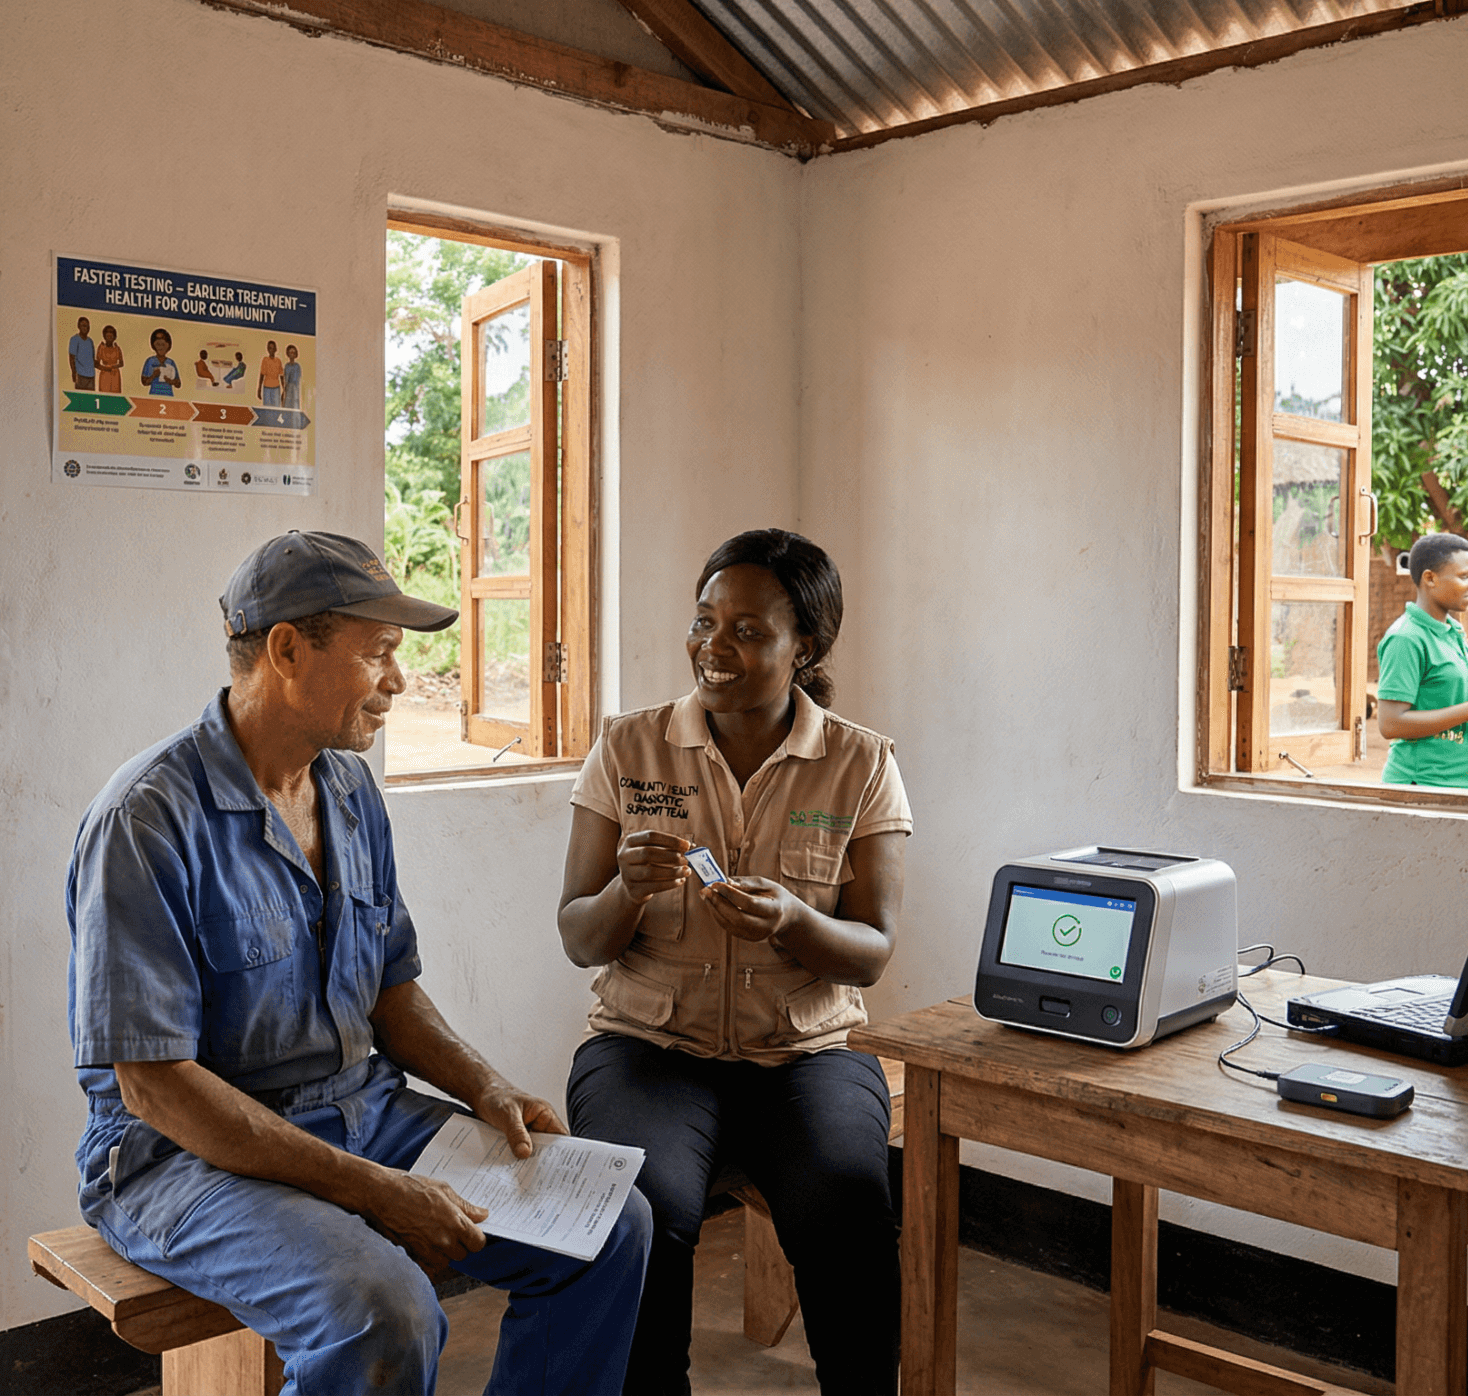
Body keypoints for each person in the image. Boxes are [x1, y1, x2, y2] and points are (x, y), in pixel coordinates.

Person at [66, 529, 651, 1396]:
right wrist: (374, 1190)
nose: (399, 682)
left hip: (357, 1111)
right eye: (379, 654)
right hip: (179, 1160)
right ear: (287, 649)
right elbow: (156, 1087)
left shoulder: (345, 787)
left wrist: (483, 1086)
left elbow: (390, 991)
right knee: (387, 1311)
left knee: (612, 1227)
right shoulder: (147, 820)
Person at [559, 528, 909, 1396]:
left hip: (807, 1055)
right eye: (704, 621)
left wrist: (794, 920)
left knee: (846, 1201)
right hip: (649, 1050)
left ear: (807, 647)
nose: (714, 648)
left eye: (749, 630)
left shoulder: (861, 764)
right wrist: (625, 893)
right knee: (642, 1211)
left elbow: (870, 953)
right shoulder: (629, 747)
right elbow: (577, 936)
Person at [1376, 534, 1468, 790]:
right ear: (1430, 578)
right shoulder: (1406, 638)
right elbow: (1390, 723)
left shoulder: (1453, 633)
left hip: (1462, 783)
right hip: (1422, 784)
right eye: (1464, 576)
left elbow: (1462, 694)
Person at [141, 328, 181, 397]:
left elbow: (178, 384)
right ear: (153, 345)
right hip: (154, 394)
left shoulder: (171, 362)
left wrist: (171, 381)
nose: (161, 347)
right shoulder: (150, 361)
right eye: (158, 344)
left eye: (163, 345)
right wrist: (153, 375)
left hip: (168, 395)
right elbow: (144, 382)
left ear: (168, 346)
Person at [68, 316, 98, 391]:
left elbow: (92, 359)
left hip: (91, 376)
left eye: (88, 326)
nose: (86, 328)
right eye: (84, 326)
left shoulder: (90, 341)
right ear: (78, 326)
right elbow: (72, 357)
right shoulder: (74, 339)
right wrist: (74, 373)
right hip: (80, 375)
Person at [95, 325, 124, 393]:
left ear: (114, 337)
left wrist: (114, 366)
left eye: (111, 333)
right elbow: (96, 364)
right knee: (104, 393)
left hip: (115, 374)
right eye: (107, 333)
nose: (109, 335)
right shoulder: (101, 348)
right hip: (105, 374)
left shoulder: (117, 348)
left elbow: (121, 363)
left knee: (115, 395)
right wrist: (104, 368)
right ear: (104, 336)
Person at [258, 337, 285, 407]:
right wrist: (259, 389)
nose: (271, 350)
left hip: (276, 388)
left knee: (276, 407)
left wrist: (285, 390)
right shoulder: (265, 360)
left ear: (276, 349)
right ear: (267, 349)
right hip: (266, 388)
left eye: (273, 348)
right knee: (267, 408)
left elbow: (282, 376)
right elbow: (262, 375)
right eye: (270, 348)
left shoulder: (278, 361)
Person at [282, 343, 302, 409]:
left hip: (295, 387)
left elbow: (297, 379)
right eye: (290, 352)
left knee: (295, 405)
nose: (292, 354)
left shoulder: (297, 366)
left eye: (293, 352)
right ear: (288, 353)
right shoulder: (286, 366)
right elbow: (286, 379)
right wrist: (284, 391)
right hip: (288, 388)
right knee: (287, 405)